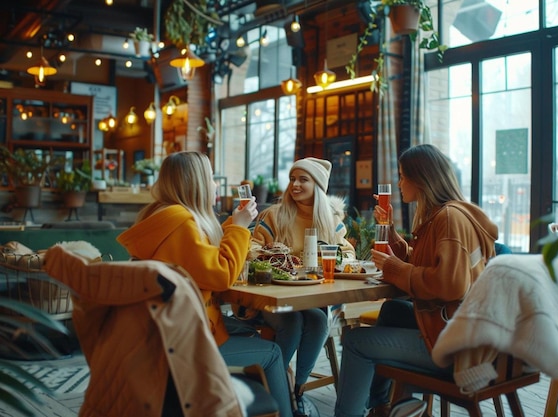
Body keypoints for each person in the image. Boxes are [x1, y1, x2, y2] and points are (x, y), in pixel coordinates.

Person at [116, 151, 294, 417]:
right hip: (185, 344)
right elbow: (221, 274)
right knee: (272, 353)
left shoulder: (161, 217)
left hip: (163, 332)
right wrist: (241, 228)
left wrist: (234, 224)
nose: (215, 184)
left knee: (254, 333)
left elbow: (201, 263)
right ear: (196, 182)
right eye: (210, 177)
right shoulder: (181, 225)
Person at [334, 144, 499, 417]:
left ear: (421, 179)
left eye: (402, 176)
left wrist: (395, 268)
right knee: (394, 310)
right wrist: (389, 232)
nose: (398, 183)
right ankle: (381, 407)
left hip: (457, 351)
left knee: (355, 341)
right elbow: (425, 265)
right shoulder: (448, 214)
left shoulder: (449, 218)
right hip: (464, 334)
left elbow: (450, 284)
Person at [250, 157, 356, 416]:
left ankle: (297, 392)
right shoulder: (275, 215)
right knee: (293, 323)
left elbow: (348, 253)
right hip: (272, 296)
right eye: (292, 179)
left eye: (303, 180)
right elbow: (250, 246)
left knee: (319, 321)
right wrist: (268, 256)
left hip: (309, 297)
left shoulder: (330, 220)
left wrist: (340, 260)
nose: (295, 185)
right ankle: (270, 387)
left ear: (317, 185)